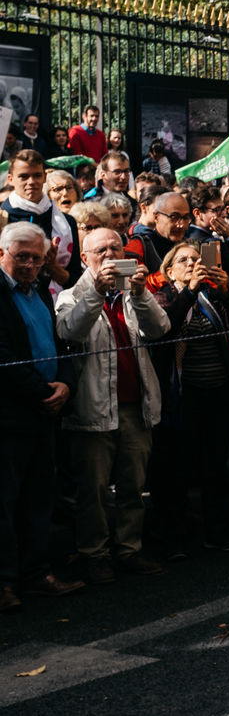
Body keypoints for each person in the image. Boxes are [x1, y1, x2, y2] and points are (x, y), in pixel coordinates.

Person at [56, 227, 170, 583]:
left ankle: (129, 549)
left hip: (135, 406)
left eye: (115, 248)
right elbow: (71, 331)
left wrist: (140, 293)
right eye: (101, 250)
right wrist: (96, 291)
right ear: (85, 258)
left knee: (133, 486)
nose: (109, 255)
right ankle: (95, 554)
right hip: (92, 409)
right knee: (93, 490)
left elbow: (160, 328)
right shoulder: (70, 296)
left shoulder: (132, 293)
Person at [0, 223, 83, 612]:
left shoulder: (39, 293)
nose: (30, 265)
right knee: (5, 502)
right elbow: (4, 358)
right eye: (22, 256)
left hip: (45, 413)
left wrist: (65, 384)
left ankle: (37, 573)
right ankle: (4, 582)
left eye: (37, 258)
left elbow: (60, 345)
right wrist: (43, 392)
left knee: (39, 498)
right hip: (10, 415)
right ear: (2, 254)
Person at [150, 242, 229, 555]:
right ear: (170, 272)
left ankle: (217, 531)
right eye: (184, 260)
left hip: (218, 392)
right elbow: (164, 329)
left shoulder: (212, 295)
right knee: (177, 468)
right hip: (182, 395)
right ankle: (174, 537)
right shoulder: (163, 297)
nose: (193, 263)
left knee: (216, 465)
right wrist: (190, 291)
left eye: (197, 258)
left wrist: (226, 292)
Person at [3, 150, 82, 295]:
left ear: (45, 177)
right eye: (24, 176)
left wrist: (52, 266)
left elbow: (75, 281)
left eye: (37, 175)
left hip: (55, 302)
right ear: (10, 179)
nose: (31, 182)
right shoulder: (2, 219)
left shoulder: (67, 222)